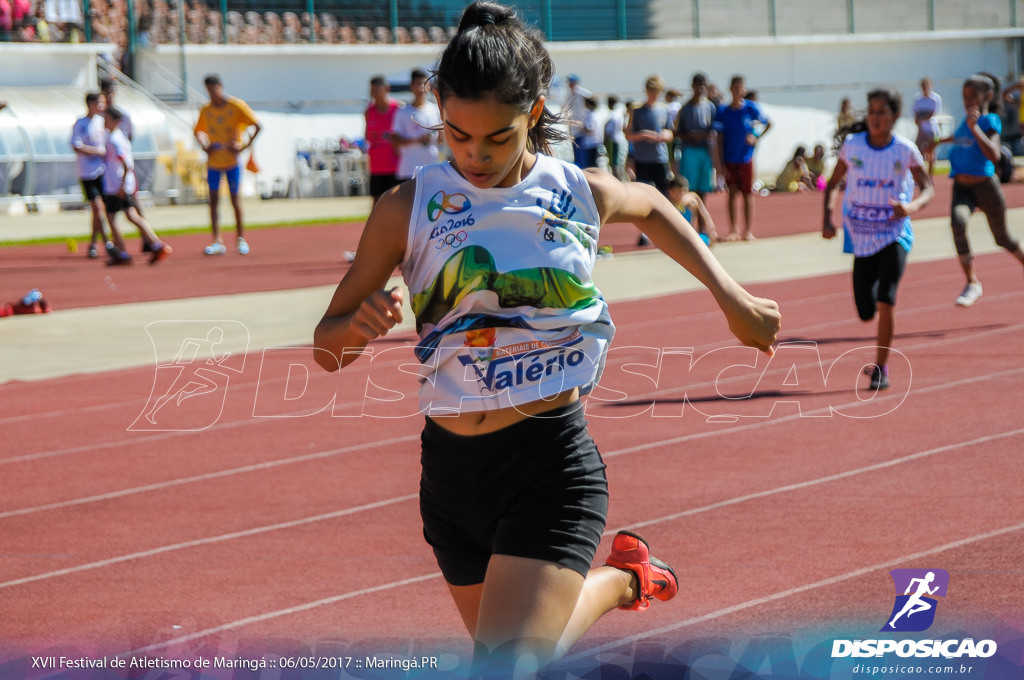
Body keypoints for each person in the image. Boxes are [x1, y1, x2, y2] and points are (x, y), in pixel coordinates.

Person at [312, 3, 781, 676]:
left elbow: (650, 203)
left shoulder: (574, 191)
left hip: (550, 466)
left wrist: (731, 299)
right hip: (448, 479)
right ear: (438, 111)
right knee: (517, 656)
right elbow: (325, 350)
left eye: (497, 138)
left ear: (533, 112)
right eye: (457, 135)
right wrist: (353, 331)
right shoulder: (405, 208)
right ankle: (627, 581)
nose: (475, 156)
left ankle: (624, 580)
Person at [822, 88, 933, 391]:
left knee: (887, 300)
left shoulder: (905, 150)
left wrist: (910, 207)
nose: (875, 117)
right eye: (871, 111)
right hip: (862, 237)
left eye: (881, 112)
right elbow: (832, 184)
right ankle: (872, 296)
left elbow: (929, 189)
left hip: (895, 233)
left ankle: (881, 368)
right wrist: (827, 218)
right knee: (865, 311)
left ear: (895, 116)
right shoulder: (853, 146)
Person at [936, 73, 1024, 307]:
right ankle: (972, 283)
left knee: (1003, 238)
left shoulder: (989, 121)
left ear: (987, 96)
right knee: (958, 222)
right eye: (964, 96)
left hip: (986, 186)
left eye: (972, 95)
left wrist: (976, 130)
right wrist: (937, 142)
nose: (967, 100)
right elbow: (958, 138)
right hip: (962, 187)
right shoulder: (967, 122)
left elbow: (994, 155)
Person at [194, 73, 261, 255]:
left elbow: (257, 125)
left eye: (214, 88)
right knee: (213, 200)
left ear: (220, 86)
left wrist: (244, 146)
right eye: (208, 90)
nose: (212, 93)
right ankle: (217, 241)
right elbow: (198, 131)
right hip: (214, 162)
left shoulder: (236, 106)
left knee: (235, 200)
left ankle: (240, 239)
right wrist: (205, 145)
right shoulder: (206, 110)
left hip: (232, 162)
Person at [102, 107, 173, 266]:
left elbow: (126, 164)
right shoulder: (118, 137)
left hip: (117, 185)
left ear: (116, 121)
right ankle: (156, 244)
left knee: (112, 217)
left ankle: (123, 252)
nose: (104, 122)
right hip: (121, 184)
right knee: (132, 215)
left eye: (107, 118)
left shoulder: (115, 140)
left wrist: (121, 185)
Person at [715, 74, 772, 241]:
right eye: (734, 88)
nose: (737, 91)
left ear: (744, 90)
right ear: (730, 89)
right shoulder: (723, 111)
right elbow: (719, 137)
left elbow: (768, 123)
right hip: (729, 157)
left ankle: (748, 231)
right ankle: (734, 230)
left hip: (746, 158)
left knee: (747, 193)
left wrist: (756, 137)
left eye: (740, 88)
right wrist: (719, 161)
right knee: (731, 192)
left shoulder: (751, 108)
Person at [626, 74, 675, 245]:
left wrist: (663, 136)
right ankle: (644, 233)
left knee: (664, 195)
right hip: (642, 159)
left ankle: (668, 231)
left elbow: (670, 132)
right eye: (651, 91)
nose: (654, 95)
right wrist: (644, 135)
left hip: (659, 158)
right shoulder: (637, 110)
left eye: (657, 92)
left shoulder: (664, 110)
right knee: (643, 196)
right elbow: (629, 134)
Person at [676, 72, 720, 237]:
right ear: (692, 86)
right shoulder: (686, 108)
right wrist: (691, 135)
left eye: (703, 85)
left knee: (703, 190)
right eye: (697, 85)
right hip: (690, 151)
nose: (700, 89)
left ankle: (702, 228)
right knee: (689, 189)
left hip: (704, 151)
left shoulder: (710, 107)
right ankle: (688, 227)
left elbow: (714, 130)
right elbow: (677, 132)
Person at [70, 92, 112, 258]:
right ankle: (107, 242)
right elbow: (76, 145)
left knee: (100, 210)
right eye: (99, 103)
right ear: (91, 104)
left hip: (103, 170)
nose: (102, 106)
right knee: (98, 207)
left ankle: (94, 242)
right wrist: (95, 151)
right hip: (87, 172)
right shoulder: (81, 123)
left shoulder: (102, 122)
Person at [391, 68, 444, 181]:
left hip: (431, 167)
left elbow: (441, 140)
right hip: (409, 169)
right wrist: (417, 140)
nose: (422, 88)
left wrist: (441, 135)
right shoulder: (402, 111)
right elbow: (395, 140)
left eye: (425, 84)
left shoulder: (435, 110)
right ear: (412, 86)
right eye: (419, 84)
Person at [364, 74, 402, 205]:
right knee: (376, 202)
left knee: (397, 202)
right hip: (376, 165)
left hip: (396, 165)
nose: (374, 94)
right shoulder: (369, 112)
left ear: (386, 88)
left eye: (377, 90)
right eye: (372, 90)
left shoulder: (398, 108)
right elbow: (367, 136)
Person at [667, 175, 717, 246]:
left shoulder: (691, 197)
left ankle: (692, 238)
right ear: (671, 192)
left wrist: (711, 229)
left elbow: (705, 214)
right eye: (678, 191)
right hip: (675, 238)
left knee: (693, 203)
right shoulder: (667, 204)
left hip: (689, 235)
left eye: (684, 191)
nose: (681, 194)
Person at [912, 77, 942, 175]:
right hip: (921, 130)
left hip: (932, 130)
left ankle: (930, 175)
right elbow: (916, 115)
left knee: (931, 151)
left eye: (927, 86)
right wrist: (921, 118)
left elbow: (931, 114)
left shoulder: (935, 98)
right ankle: (920, 174)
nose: (925, 88)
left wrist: (922, 116)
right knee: (917, 151)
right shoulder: (917, 99)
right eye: (923, 86)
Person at [562, 73, 591, 167]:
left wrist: (586, 124)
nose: (570, 84)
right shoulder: (568, 95)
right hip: (574, 129)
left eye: (572, 82)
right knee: (577, 153)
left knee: (584, 154)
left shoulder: (584, 94)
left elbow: (589, 109)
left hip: (584, 128)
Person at [603, 95, 628, 181]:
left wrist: (604, 142)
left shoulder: (613, 114)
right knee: (620, 163)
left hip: (613, 141)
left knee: (614, 164)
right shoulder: (621, 112)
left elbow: (609, 131)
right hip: (621, 140)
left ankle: (617, 181)